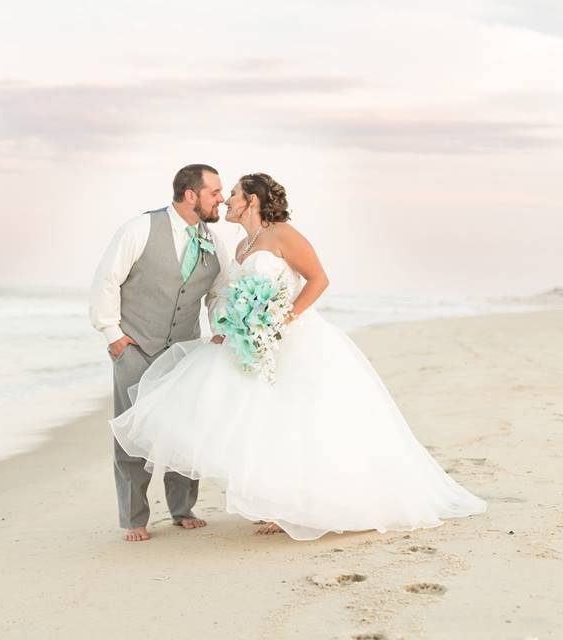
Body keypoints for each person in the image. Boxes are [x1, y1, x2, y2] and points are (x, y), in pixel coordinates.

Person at [110, 172, 487, 540]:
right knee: (264, 423)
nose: (226, 200)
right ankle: (277, 502)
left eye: (234, 193)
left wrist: (283, 318)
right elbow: (227, 295)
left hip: (294, 340)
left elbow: (319, 279)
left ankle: (298, 505)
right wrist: (232, 326)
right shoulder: (240, 247)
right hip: (253, 341)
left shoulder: (283, 235)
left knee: (300, 420)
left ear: (251, 200)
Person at [90, 164, 230, 542]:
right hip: (136, 346)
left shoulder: (214, 242)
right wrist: (112, 334)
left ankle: (182, 508)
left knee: (186, 431)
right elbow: (107, 279)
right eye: (215, 192)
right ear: (190, 195)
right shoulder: (139, 229)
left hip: (186, 351)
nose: (221, 198)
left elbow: (219, 293)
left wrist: (220, 329)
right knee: (132, 432)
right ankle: (134, 517)